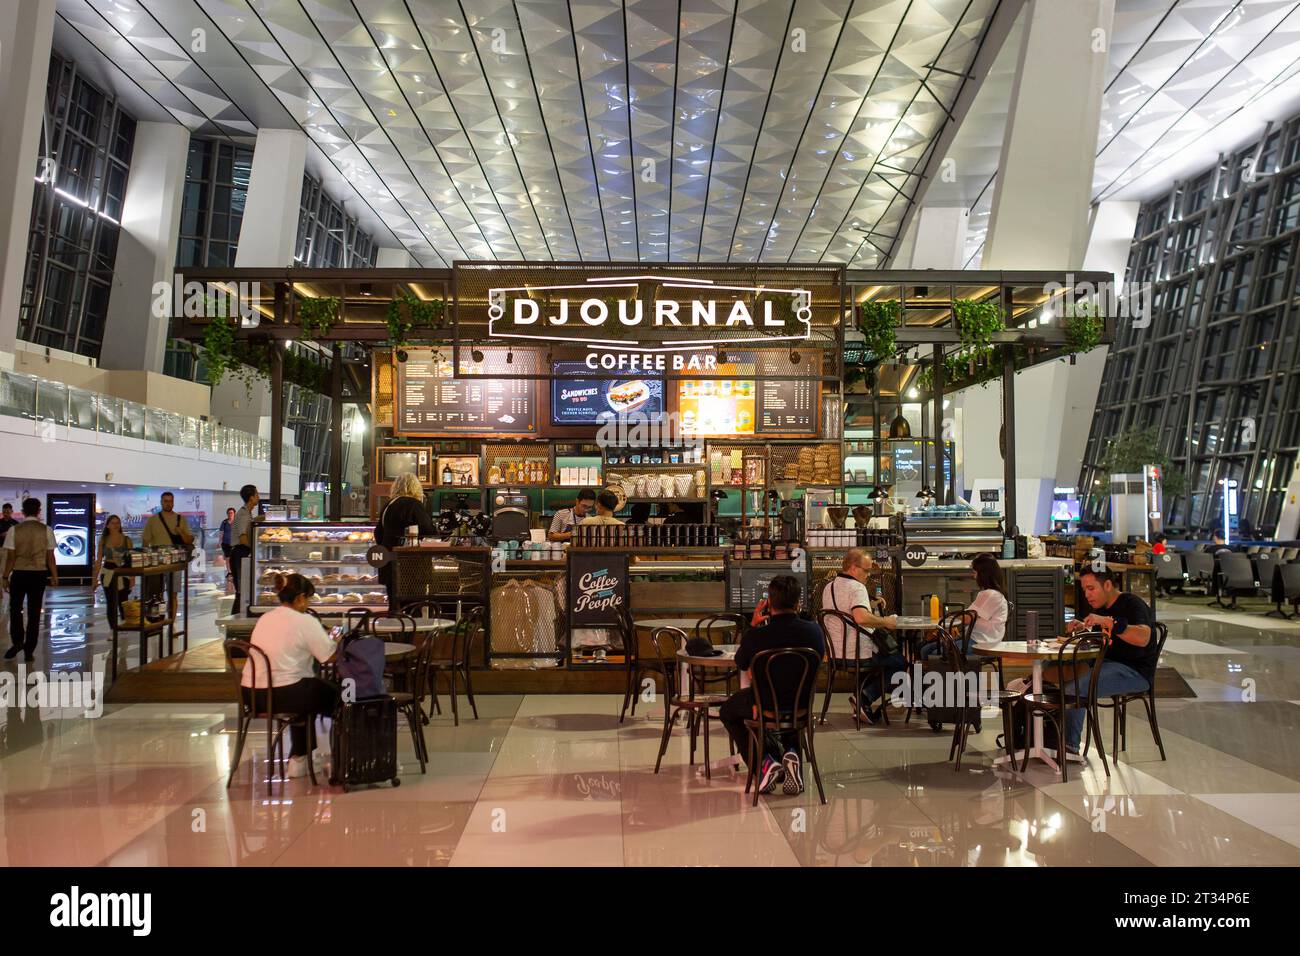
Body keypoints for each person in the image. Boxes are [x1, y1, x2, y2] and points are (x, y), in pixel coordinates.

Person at [718, 575, 825, 795]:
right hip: (801, 705)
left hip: (763, 703)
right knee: (790, 708)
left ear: (769, 603)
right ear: (798, 603)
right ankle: (792, 753)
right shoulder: (814, 632)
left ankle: (765, 763)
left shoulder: (757, 636)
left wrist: (754, 626)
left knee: (728, 710)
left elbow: (740, 662)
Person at [241, 573, 341, 778]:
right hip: (285, 694)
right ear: (301, 598)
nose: (309, 603)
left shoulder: (265, 618)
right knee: (343, 698)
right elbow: (329, 657)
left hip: (252, 695)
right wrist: (336, 640)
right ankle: (341, 757)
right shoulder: (305, 621)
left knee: (306, 691)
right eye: (309, 598)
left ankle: (300, 758)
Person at [1057, 568, 1156, 754]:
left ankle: (1068, 747)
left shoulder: (1132, 604)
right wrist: (1083, 628)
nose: (1087, 594)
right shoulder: (1101, 608)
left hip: (1134, 671)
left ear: (1108, 585)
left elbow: (1144, 637)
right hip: (1107, 664)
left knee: (1076, 688)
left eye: (1091, 588)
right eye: (1084, 589)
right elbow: (1104, 639)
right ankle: (1045, 738)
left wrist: (1107, 622)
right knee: (1052, 672)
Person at [820, 548, 903, 725]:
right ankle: (864, 697)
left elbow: (845, 611)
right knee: (899, 663)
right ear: (853, 568)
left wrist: (871, 604)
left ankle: (862, 699)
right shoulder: (857, 588)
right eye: (866, 570)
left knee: (890, 660)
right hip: (857, 654)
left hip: (835, 654)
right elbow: (861, 618)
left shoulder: (829, 586)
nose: (868, 575)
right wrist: (886, 621)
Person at [918, 553, 1008, 658]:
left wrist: (948, 617)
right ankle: (931, 674)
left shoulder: (991, 595)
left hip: (983, 643)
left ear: (983, 574)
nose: (973, 576)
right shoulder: (989, 594)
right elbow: (969, 615)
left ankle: (948, 674)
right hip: (973, 637)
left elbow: (968, 618)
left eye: (975, 573)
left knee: (934, 654)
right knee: (926, 650)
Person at [1, 498, 59, 661]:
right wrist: (54, 575)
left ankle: (18, 641)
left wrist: (5, 577)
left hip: (19, 573)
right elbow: (50, 557)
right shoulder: (46, 530)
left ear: (23, 511)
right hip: (38, 574)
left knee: (15, 609)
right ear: (39, 511)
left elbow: (10, 558)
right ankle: (29, 650)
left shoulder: (14, 530)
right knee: (34, 612)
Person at [375, 473, 435, 612]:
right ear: (416, 487)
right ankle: (411, 633)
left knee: (395, 607)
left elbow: (378, 533)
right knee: (413, 609)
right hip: (412, 567)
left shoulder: (388, 505)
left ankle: (396, 632)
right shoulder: (414, 505)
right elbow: (429, 531)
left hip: (389, 565)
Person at [90, 514, 134, 630]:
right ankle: (113, 628)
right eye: (113, 523)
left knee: (123, 600)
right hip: (108, 573)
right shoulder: (103, 540)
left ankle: (125, 623)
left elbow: (131, 561)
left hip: (123, 573)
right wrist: (94, 580)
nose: (115, 525)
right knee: (111, 601)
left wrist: (132, 578)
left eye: (117, 523)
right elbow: (99, 560)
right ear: (108, 525)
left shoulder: (126, 540)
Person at [230, 486, 259, 615]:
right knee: (242, 591)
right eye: (257, 494)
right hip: (240, 553)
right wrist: (256, 548)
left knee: (243, 590)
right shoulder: (243, 515)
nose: (258, 496)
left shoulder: (247, 513)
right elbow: (242, 538)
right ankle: (235, 622)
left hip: (241, 553)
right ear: (251, 497)